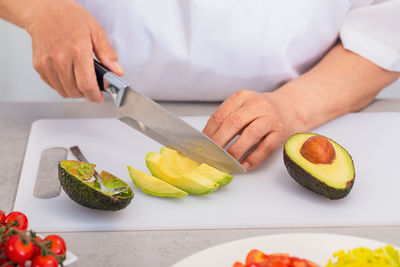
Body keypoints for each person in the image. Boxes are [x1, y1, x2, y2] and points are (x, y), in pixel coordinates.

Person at [1, 0, 399, 170]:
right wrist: (40, 9)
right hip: (95, 112)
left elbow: (387, 23)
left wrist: (296, 106)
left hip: (318, 111)